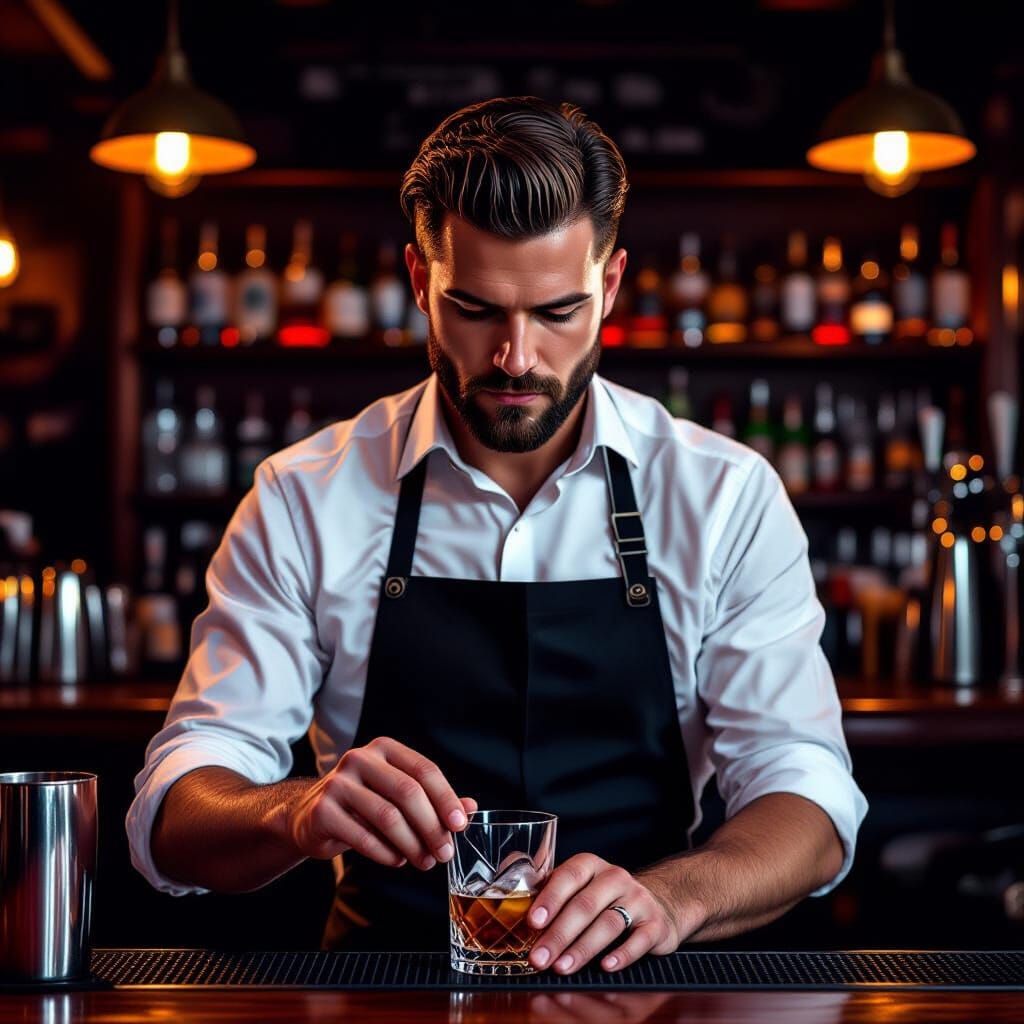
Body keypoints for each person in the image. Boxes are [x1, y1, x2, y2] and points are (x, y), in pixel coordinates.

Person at [127, 95, 868, 974]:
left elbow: (808, 795)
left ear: (612, 286)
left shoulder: (723, 496)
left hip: (644, 987)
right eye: (475, 309)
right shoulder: (304, 497)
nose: (516, 357)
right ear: (416, 281)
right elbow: (174, 811)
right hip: (381, 992)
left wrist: (675, 896)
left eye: (558, 313)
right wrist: (296, 810)